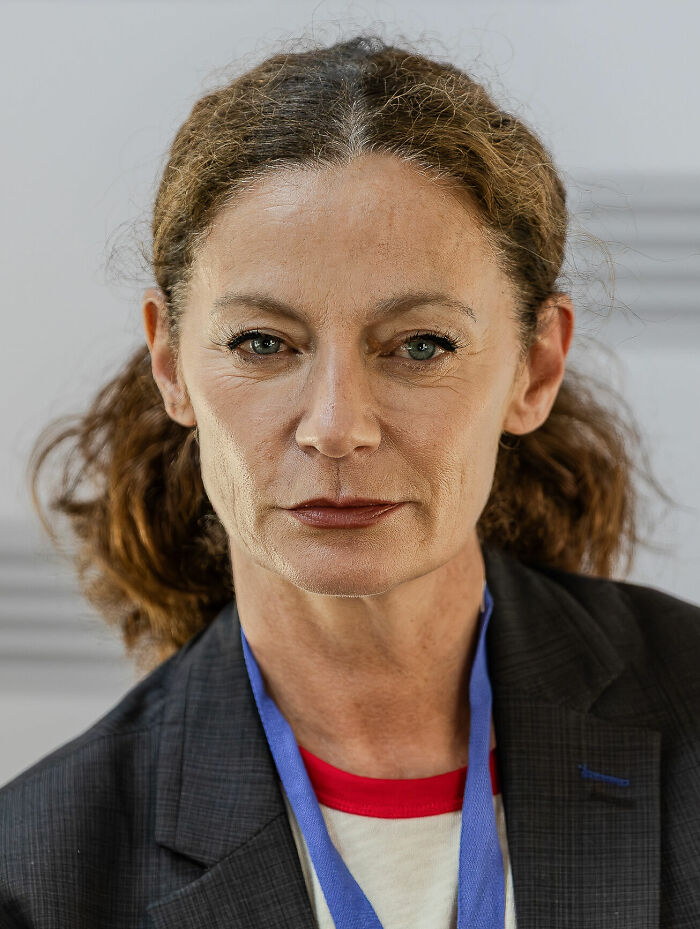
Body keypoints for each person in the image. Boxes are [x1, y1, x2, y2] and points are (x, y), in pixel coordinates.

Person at [1, 32, 698, 929]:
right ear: (170, 363)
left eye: (420, 346)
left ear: (534, 368)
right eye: (263, 344)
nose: (335, 425)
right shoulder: (39, 880)